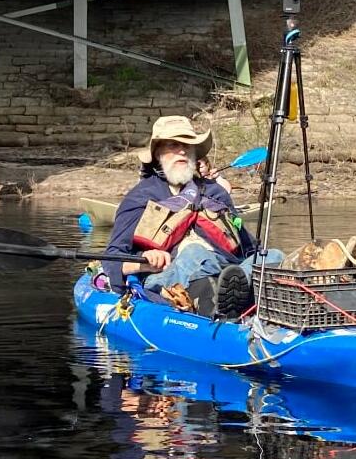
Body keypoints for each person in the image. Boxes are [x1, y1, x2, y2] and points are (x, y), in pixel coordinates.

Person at [103, 115, 283, 318]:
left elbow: (249, 247)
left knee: (274, 256)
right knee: (195, 253)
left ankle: (233, 295)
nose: (182, 150)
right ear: (157, 154)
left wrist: (261, 262)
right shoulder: (141, 197)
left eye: (187, 146)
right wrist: (142, 263)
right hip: (168, 276)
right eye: (173, 145)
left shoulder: (215, 193)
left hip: (227, 270)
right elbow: (112, 259)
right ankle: (220, 302)